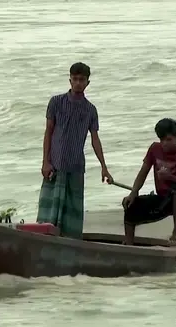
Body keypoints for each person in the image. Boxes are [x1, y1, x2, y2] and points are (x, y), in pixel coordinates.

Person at [37, 62, 113, 238]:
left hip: (75, 166)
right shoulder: (56, 102)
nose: (78, 82)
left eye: (82, 80)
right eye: (75, 79)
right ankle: (44, 238)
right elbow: (48, 132)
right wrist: (45, 161)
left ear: (88, 82)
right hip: (55, 164)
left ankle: (69, 242)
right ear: (69, 80)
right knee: (49, 211)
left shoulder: (90, 110)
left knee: (72, 213)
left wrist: (104, 167)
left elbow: (95, 138)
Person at [122, 118, 176, 246]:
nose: (164, 144)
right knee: (131, 204)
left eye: (168, 140)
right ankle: (129, 242)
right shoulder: (154, 149)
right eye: (161, 140)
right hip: (164, 198)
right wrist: (133, 193)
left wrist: (170, 176)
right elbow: (143, 172)